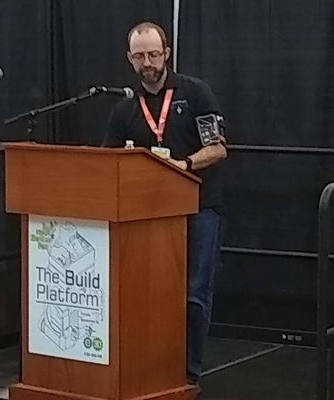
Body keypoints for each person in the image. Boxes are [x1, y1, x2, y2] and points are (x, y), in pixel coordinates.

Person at [103, 21, 227, 392]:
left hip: (200, 206)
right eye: (139, 56)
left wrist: (183, 165)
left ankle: (188, 375)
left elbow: (218, 148)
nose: (148, 63)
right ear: (129, 59)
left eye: (154, 54)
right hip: (147, 216)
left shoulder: (195, 92)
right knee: (148, 295)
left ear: (167, 54)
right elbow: (108, 163)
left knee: (194, 294)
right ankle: (150, 371)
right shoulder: (124, 109)